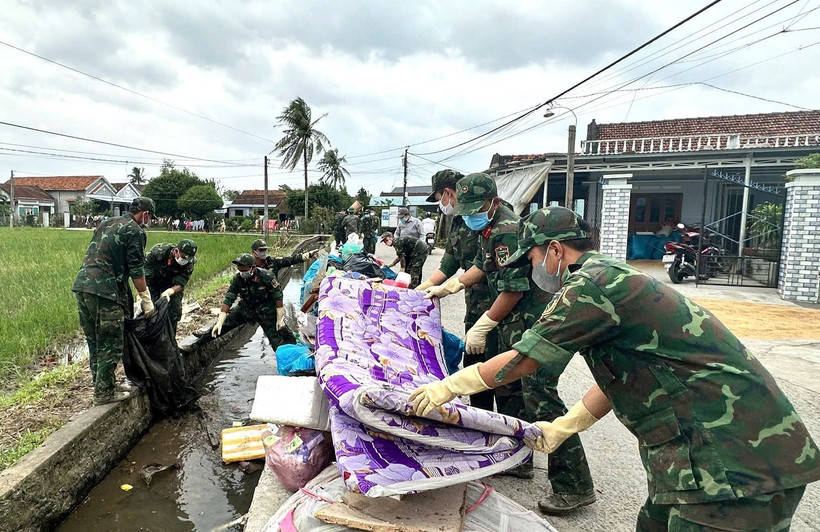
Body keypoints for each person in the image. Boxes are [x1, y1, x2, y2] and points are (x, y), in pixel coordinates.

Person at [411, 205, 820, 529]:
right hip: (697, 458)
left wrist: (448, 387)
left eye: (533, 257)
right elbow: (621, 376)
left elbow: (524, 360)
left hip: (733, 463)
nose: (532, 268)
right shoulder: (609, 281)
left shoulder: (592, 285)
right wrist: (567, 424)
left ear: (555, 250)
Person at [423, 176, 595, 511]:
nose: (469, 214)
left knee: (540, 396)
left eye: (475, 208)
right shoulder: (488, 229)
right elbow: (481, 267)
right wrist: (450, 286)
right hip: (517, 323)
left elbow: (513, 287)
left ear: (493, 201)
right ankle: (518, 459)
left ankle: (574, 485)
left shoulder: (506, 228)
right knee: (514, 390)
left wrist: (484, 324)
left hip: (533, 321)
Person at [416, 169, 501, 413]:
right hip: (475, 303)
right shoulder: (457, 221)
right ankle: (483, 420)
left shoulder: (492, 219)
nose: (442, 204)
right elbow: (449, 263)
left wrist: (451, 287)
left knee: (499, 370)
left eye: (440, 198)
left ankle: (509, 428)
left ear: (448, 193)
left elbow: (484, 264)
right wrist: (422, 289)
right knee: (474, 364)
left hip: (499, 302)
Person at [72, 196, 157, 406]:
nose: (149, 221)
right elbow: (137, 270)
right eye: (150, 217)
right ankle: (103, 394)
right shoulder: (135, 231)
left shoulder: (106, 222)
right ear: (145, 213)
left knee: (95, 341)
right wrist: (146, 300)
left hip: (83, 286)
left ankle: (104, 385)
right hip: (105, 291)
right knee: (110, 342)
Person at [194, 253, 295, 350]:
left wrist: (280, 318)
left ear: (253, 267)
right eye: (240, 270)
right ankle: (195, 346)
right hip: (246, 308)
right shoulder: (238, 279)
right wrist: (220, 320)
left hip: (266, 311)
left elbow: (277, 297)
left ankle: (293, 355)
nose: (242, 273)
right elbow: (229, 298)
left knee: (278, 340)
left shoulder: (267, 276)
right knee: (221, 327)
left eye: (245, 270)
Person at [144, 238, 198, 333]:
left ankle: (170, 338)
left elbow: (181, 283)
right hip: (153, 283)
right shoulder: (158, 252)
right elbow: (144, 274)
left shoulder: (189, 263)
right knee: (151, 311)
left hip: (172, 285)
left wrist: (169, 292)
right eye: (184, 257)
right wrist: (142, 293)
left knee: (175, 312)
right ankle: (151, 338)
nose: (185, 261)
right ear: (176, 251)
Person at [251, 239, 319, 278]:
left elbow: (291, 260)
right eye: (261, 250)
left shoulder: (272, 263)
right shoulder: (249, 267)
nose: (263, 252)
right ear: (254, 252)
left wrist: (308, 255)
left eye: (264, 250)